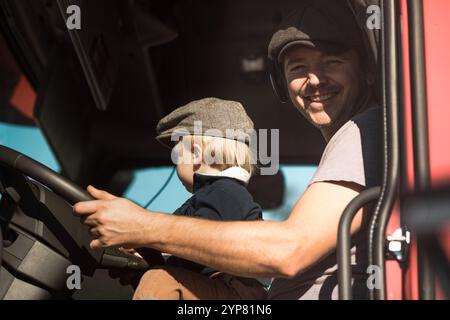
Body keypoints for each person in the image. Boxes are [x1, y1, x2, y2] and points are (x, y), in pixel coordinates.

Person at [74, 1, 382, 300]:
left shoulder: (362, 131)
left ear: (368, 71)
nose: (313, 80)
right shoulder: (354, 138)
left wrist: (143, 227)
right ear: (281, 83)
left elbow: (287, 251)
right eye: (298, 68)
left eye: (332, 62)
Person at [131, 97, 267, 300]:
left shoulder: (223, 193)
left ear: (195, 155)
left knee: (158, 281)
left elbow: (201, 245)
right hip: (218, 288)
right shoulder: (220, 194)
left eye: (177, 157)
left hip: (232, 291)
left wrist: (159, 254)